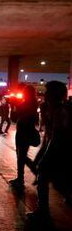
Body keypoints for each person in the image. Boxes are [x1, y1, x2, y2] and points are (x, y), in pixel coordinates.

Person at [27, 81, 72, 222]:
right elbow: (48, 137)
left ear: (54, 94)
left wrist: (45, 157)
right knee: (58, 182)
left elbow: (57, 137)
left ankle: (43, 213)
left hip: (60, 151)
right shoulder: (53, 110)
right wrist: (41, 155)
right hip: (58, 151)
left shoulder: (59, 111)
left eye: (48, 92)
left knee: (45, 179)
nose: (45, 94)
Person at [9, 85, 39, 190]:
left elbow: (14, 118)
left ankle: (24, 178)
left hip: (23, 131)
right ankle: (22, 177)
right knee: (22, 155)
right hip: (27, 130)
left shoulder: (25, 104)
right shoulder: (34, 103)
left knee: (21, 156)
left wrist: (14, 106)